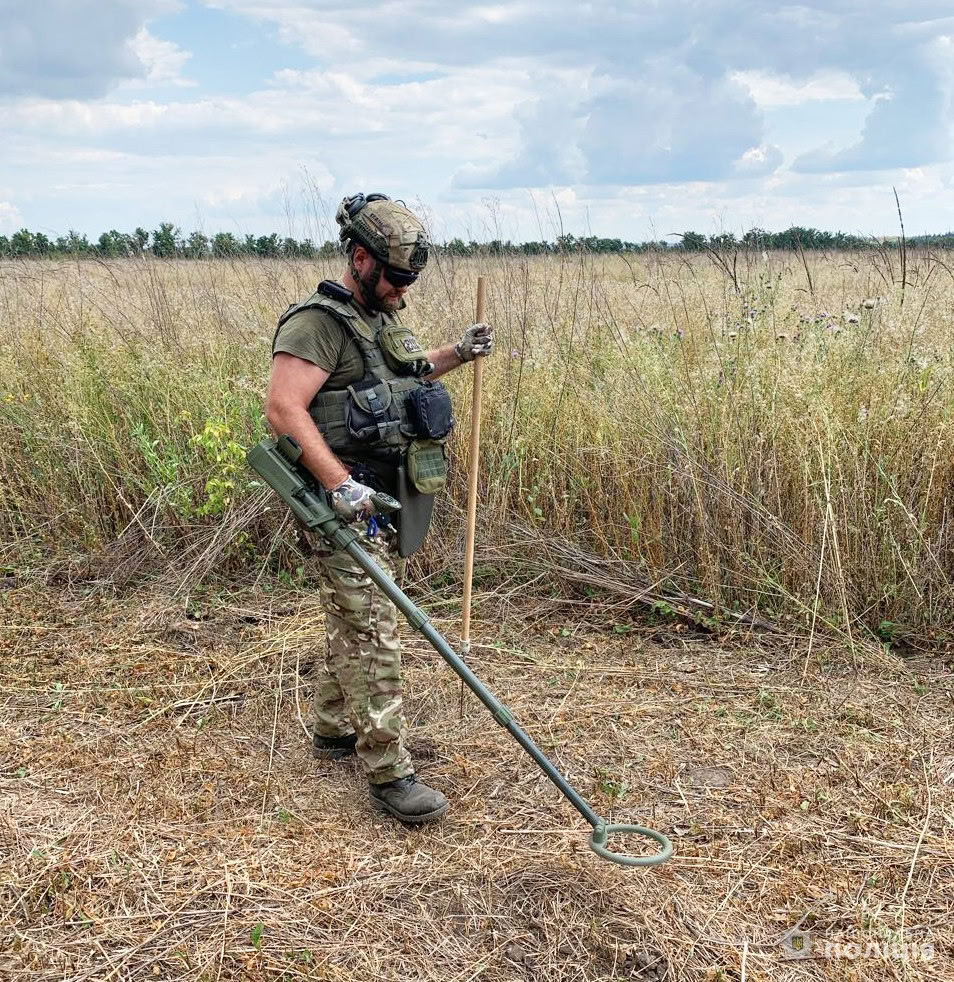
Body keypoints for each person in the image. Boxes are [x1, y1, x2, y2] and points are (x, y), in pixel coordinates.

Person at [264, 193, 493, 824]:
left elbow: (409, 377)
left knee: (355, 614)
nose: (403, 290)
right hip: (339, 499)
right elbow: (283, 409)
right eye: (396, 277)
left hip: (381, 496)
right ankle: (390, 774)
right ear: (360, 258)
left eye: (411, 279)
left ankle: (334, 729)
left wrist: (458, 354)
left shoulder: (380, 318)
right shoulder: (316, 324)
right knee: (373, 632)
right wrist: (339, 484)